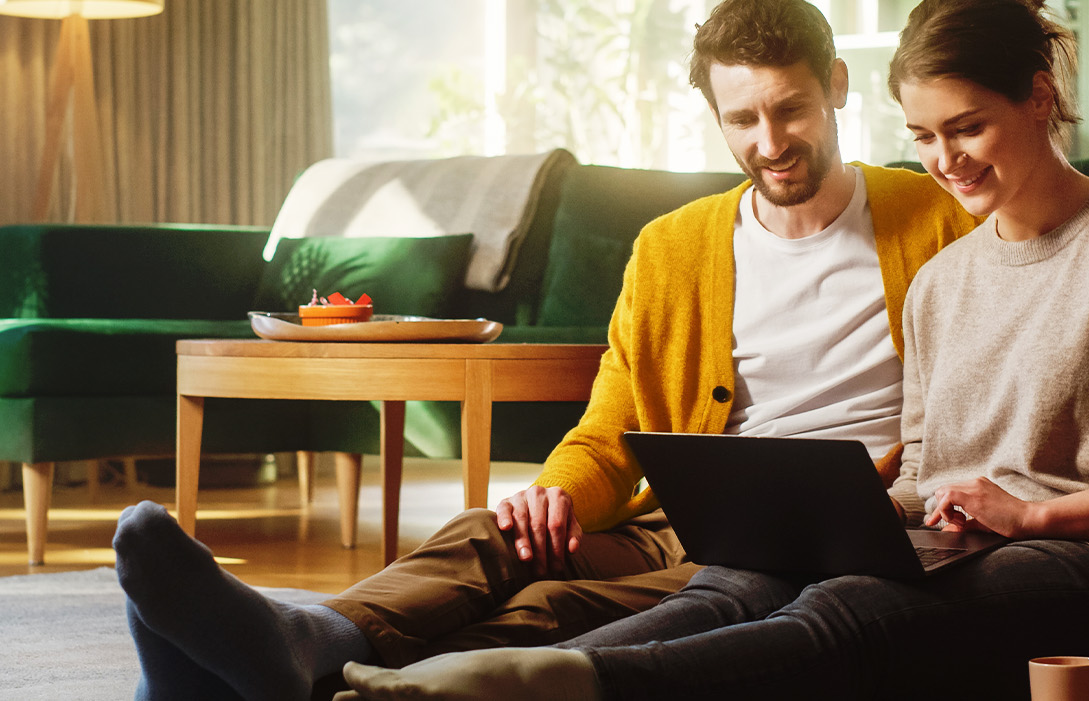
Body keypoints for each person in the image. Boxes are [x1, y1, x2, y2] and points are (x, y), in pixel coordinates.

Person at [328, 1, 1089, 699]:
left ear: (1041, 100)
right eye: (923, 137)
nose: (945, 161)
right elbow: (935, 464)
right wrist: (859, 507)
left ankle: (580, 684)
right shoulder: (949, 276)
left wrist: (1028, 518)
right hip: (966, 540)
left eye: (968, 128)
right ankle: (441, 663)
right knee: (736, 583)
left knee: (845, 612)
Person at [110, 0, 979, 698]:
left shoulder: (936, 221)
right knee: (500, 535)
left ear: (835, 85)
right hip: (686, 525)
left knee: (554, 605)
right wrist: (557, 494)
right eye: (742, 117)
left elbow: (986, 399)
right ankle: (313, 636)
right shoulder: (672, 247)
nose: (770, 141)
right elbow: (611, 425)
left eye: (790, 108)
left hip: (835, 537)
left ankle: (274, 675)